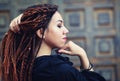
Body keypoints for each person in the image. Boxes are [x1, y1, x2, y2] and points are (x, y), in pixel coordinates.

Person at [0, 4, 106, 81]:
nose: (66, 30)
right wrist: (83, 56)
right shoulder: (60, 71)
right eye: (59, 26)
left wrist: (27, 20)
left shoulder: (23, 66)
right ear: (41, 32)